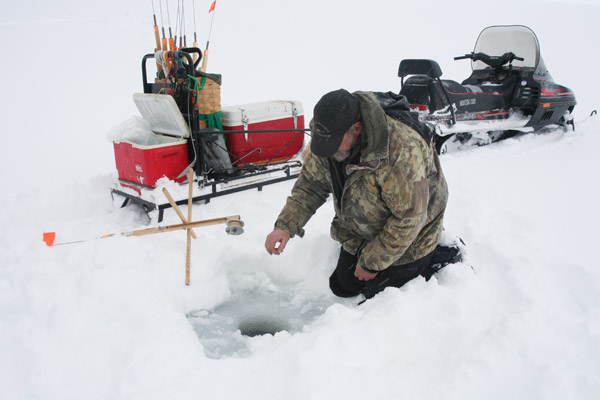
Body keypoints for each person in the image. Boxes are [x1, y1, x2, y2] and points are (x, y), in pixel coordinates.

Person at [265, 89, 451, 300]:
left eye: (333, 144)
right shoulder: (327, 132)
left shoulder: (401, 149)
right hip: (366, 225)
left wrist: (371, 263)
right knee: (343, 285)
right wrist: (286, 226)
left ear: (356, 129)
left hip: (415, 230)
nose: (328, 150)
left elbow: (409, 217)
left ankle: (441, 253)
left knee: (376, 294)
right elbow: (311, 185)